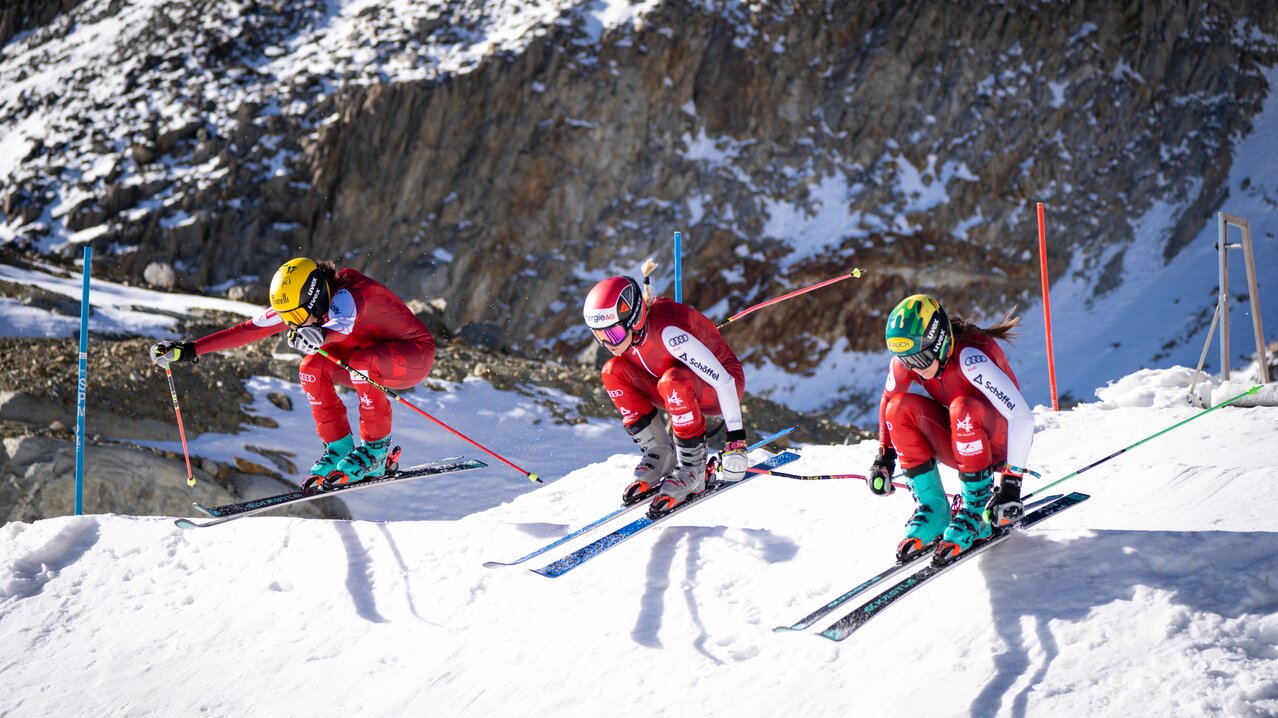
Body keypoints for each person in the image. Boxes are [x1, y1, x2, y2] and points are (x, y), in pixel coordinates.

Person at [148, 257, 436, 489]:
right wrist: (190, 350)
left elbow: (341, 325)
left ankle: (375, 451)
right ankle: (338, 448)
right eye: (288, 319)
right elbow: (247, 331)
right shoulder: (302, 305)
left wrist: (320, 334)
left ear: (316, 298)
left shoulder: (350, 294)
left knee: (360, 360)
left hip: (413, 355)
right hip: (371, 359)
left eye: (296, 318)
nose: (293, 325)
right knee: (311, 367)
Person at [867, 294, 1032, 563]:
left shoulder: (971, 358)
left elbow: (1022, 419)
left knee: (962, 406)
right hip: (963, 441)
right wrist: (884, 456)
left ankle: (977, 511)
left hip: (997, 443)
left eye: (919, 359)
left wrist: (1011, 485)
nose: (914, 368)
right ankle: (934, 509)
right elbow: (887, 400)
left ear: (940, 341)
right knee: (898, 408)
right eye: (906, 360)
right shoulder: (911, 358)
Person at [583, 269, 750, 515]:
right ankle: (660, 453)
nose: (608, 344)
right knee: (612, 371)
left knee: (672, 380)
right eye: (600, 336)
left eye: (613, 333)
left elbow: (724, 383)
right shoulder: (630, 337)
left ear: (633, 320)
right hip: (673, 385)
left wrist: (736, 442)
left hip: (717, 389)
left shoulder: (670, 334)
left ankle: (693, 470)